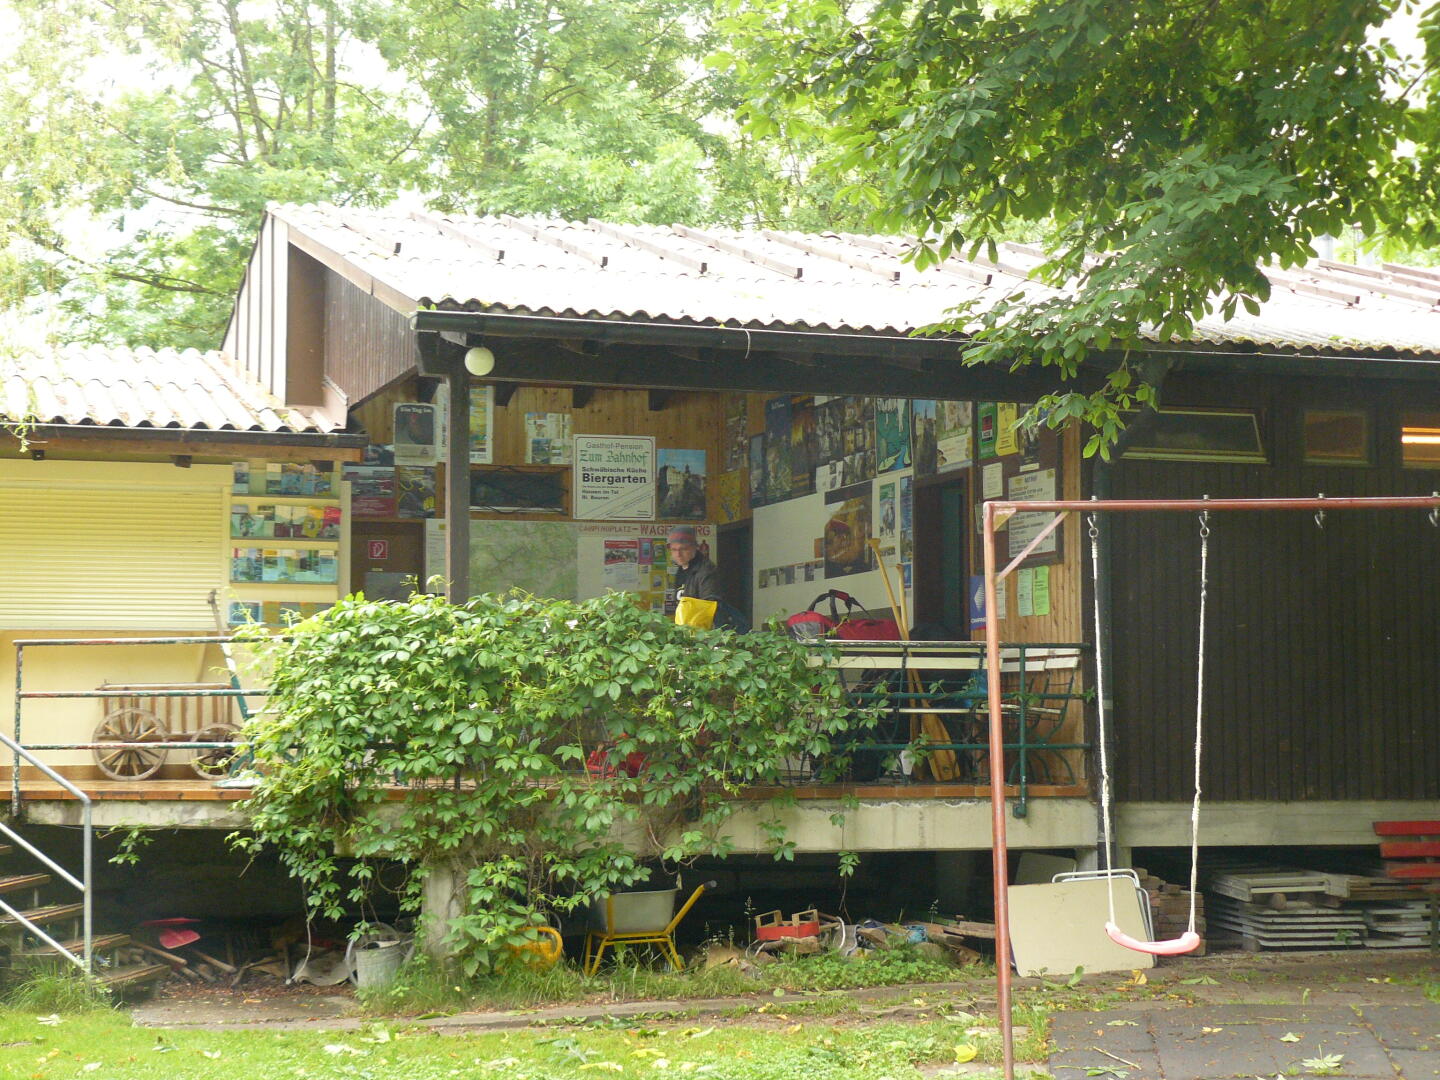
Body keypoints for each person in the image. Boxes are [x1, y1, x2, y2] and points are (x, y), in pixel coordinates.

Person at [667, 525, 749, 631]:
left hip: (704, 631)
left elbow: (709, 605)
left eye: (683, 549)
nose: (678, 554)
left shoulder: (706, 571)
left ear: (695, 547)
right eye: (674, 550)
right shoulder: (681, 570)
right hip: (687, 629)